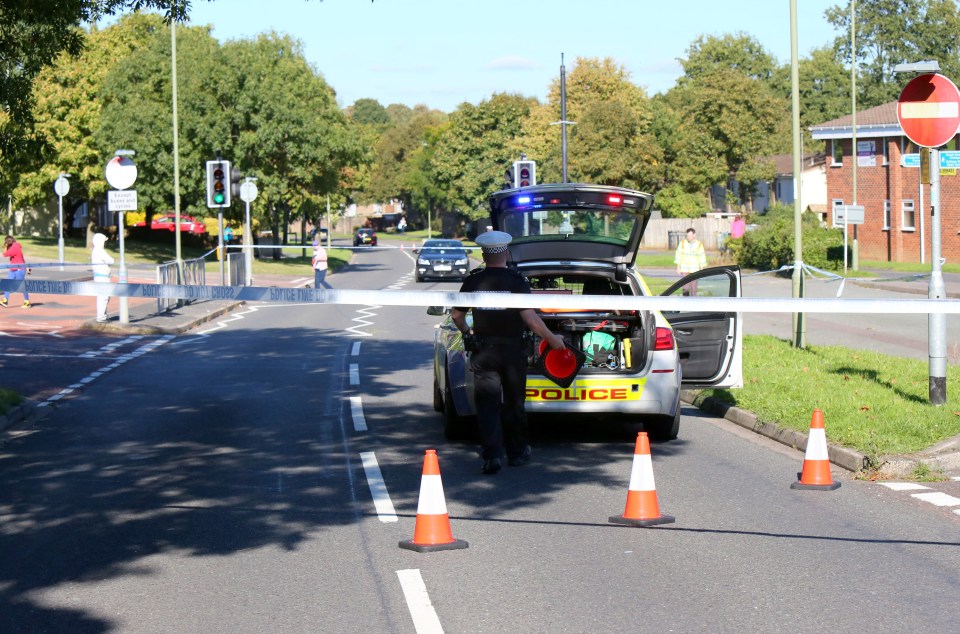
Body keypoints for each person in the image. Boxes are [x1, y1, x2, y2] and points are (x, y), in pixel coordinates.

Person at [451, 231, 565, 475]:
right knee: (514, 403)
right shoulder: (516, 281)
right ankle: (517, 453)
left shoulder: (473, 281)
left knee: (487, 405)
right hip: (513, 352)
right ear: (507, 253)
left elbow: (457, 315)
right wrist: (553, 339)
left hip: (484, 352)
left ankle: (492, 456)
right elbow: (531, 320)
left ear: (483, 255)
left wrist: (469, 333)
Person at [674, 227, 707, 296]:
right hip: (685, 270)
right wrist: (678, 267)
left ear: (694, 235)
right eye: (687, 236)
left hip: (695, 270)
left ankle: (694, 304)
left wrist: (702, 268)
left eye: (689, 236)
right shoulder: (682, 243)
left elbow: (702, 256)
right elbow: (678, 255)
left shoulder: (699, 244)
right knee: (685, 288)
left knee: (694, 289)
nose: (687, 237)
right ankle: (685, 303)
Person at [91, 233, 114, 322]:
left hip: (100, 276)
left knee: (104, 297)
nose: (104, 243)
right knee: (103, 297)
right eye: (103, 241)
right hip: (103, 277)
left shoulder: (96, 250)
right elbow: (111, 260)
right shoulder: (99, 251)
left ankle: (102, 315)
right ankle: (101, 317)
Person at [2, 235, 31, 308]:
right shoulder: (16, 246)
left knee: (21, 286)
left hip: (19, 270)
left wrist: (5, 246)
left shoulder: (14, 247)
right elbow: (21, 258)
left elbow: (5, 254)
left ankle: (27, 302)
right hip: (13, 269)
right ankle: (5, 300)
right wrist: (27, 266)